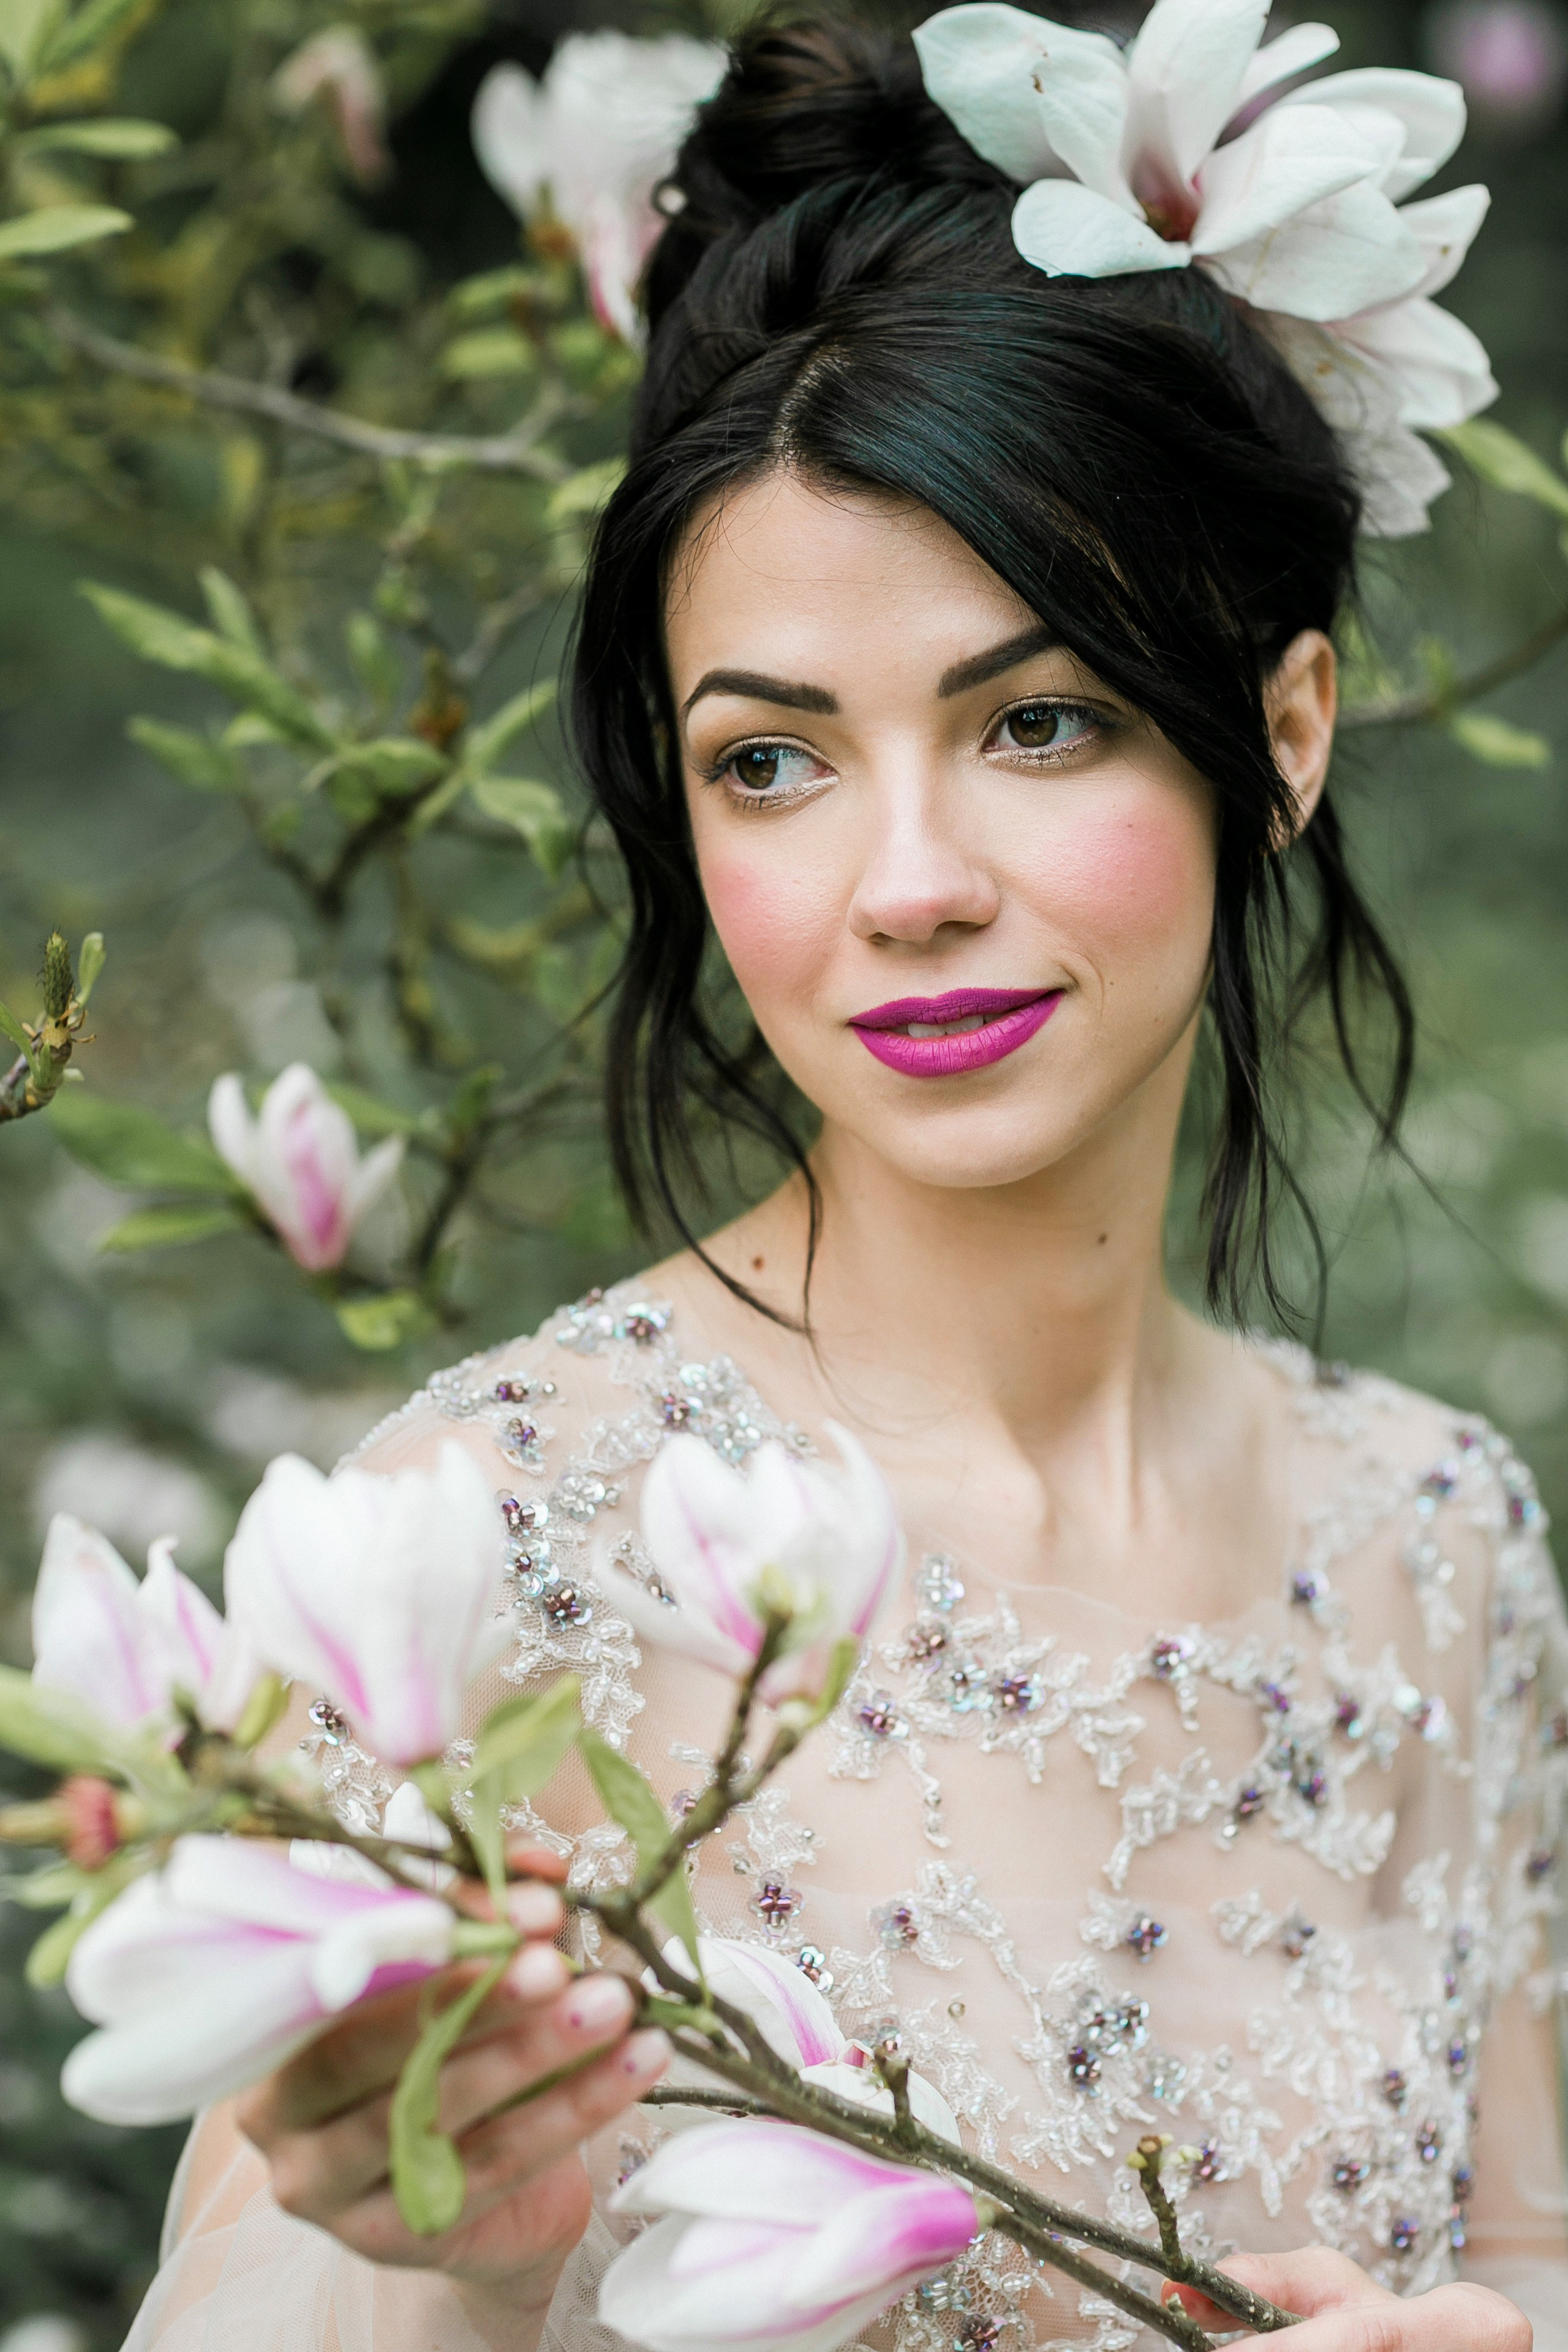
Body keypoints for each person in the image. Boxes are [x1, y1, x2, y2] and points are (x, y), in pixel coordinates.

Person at [121, 11, 1568, 2350]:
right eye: (773, 762)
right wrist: (445, 2266)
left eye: (1037, 721)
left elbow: (1527, 2249)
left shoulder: (1444, 1544)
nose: (907, 884)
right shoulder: (483, 1546)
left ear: (1283, 735)